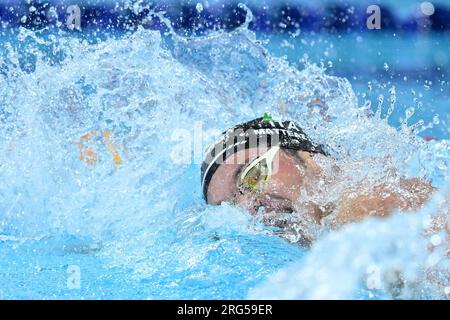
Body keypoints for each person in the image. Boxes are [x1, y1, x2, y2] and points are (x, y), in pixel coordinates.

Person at [201, 116, 436, 244]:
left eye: (251, 175)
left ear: (305, 154)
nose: (250, 206)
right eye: (232, 207)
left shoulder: (366, 207)